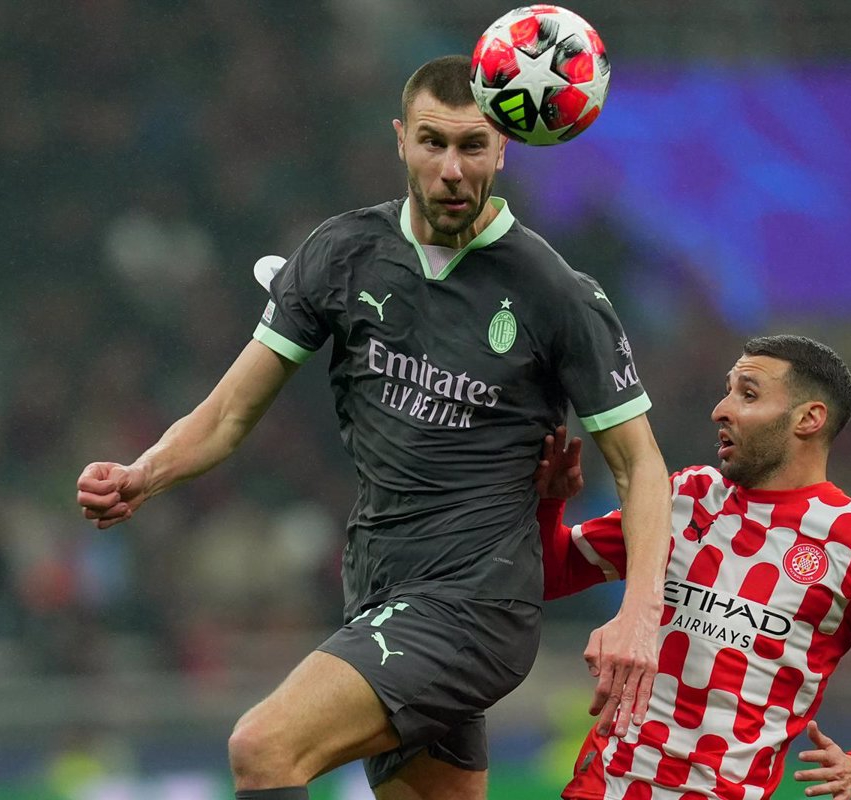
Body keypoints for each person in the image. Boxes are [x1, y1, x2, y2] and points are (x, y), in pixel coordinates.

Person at [75, 54, 671, 800]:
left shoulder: (555, 294)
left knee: (262, 748)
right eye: (432, 142)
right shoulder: (342, 253)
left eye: (472, 146)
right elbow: (228, 413)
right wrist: (142, 473)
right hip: (381, 587)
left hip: (474, 604)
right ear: (400, 139)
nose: (451, 168)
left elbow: (643, 466)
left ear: (503, 149)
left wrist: (638, 618)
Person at [535, 335, 851, 800]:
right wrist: (549, 504)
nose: (721, 409)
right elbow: (552, 574)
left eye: (747, 394)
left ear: (809, 419)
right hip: (603, 786)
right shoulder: (685, 496)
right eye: (728, 390)